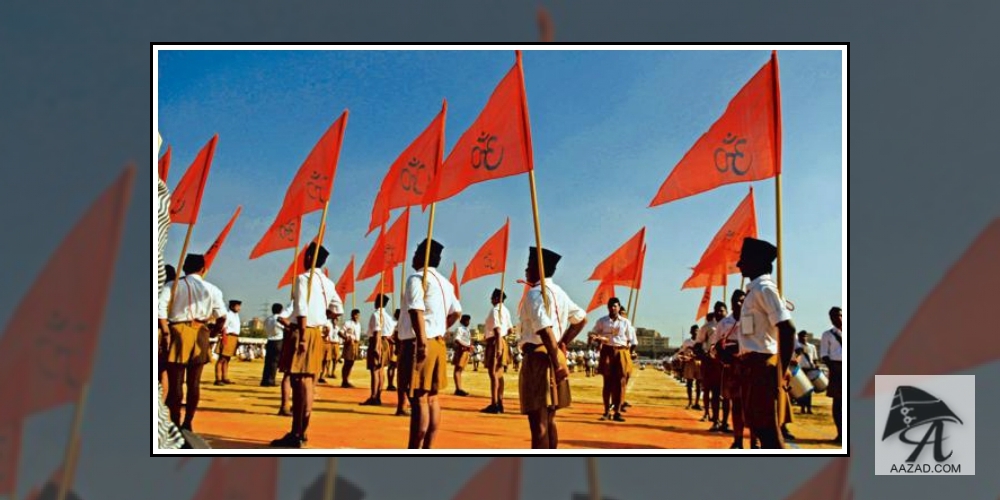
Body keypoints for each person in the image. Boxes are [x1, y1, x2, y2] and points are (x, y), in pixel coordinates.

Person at [270, 243, 344, 448]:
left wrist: (302, 335)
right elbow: (338, 308)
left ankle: (297, 433)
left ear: (310, 257)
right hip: (316, 332)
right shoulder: (328, 283)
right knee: (309, 382)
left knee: (299, 382)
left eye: (305, 255)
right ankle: (302, 432)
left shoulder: (303, 279)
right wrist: (323, 316)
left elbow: (301, 308)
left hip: (302, 331)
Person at [518, 247, 588, 448]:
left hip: (539, 358)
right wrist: (562, 343)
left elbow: (544, 329)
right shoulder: (560, 293)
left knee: (538, 425)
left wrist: (556, 360)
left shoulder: (535, 294)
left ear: (538, 268)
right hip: (553, 354)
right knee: (549, 420)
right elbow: (581, 319)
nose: (526, 269)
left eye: (529, 265)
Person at [397, 239, 463, 448]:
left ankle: (414, 451)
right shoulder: (445, 283)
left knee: (418, 398)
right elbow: (457, 312)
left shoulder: (417, 278)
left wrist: (422, 341)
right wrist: (440, 327)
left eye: (416, 252)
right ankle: (428, 449)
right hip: (437, 342)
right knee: (432, 398)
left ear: (422, 257)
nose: (413, 256)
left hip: (419, 342)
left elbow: (416, 310)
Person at [736, 237, 797, 449]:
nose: (739, 264)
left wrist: (780, 372)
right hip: (752, 367)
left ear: (758, 261)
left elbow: (787, 329)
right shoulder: (754, 291)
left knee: (768, 431)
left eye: (743, 259)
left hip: (762, 367)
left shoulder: (765, 289)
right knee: (759, 427)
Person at [157, 253, 226, 432]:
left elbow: (159, 310)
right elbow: (222, 316)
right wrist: (214, 332)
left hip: (178, 330)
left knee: (176, 382)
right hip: (201, 331)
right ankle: (188, 422)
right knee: (194, 382)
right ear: (203, 269)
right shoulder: (213, 289)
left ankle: (175, 421)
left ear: (184, 267)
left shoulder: (173, 286)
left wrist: (165, 332)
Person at [590, 297, 632, 422]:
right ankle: (606, 412)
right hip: (607, 351)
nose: (613, 308)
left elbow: (631, 340)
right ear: (607, 307)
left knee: (620, 382)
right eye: (611, 306)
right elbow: (593, 333)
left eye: (615, 306)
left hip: (621, 351)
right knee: (607, 382)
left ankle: (617, 412)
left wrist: (629, 351)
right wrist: (597, 338)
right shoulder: (602, 321)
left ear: (619, 307)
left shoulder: (625, 322)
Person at [716, 290, 745, 446]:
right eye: (737, 301)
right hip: (733, 366)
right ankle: (738, 440)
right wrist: (723, 355)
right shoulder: (724, 323)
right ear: (732, 304)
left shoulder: (754, 318)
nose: (740, 304)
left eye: (743, 301)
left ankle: (755, 442)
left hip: (751, 364)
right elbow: (715, 346)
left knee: (752, 406)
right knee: (736, 403)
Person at [482, 289, 513, 414]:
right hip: (501, 341)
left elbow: (497, 330)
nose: (491, 299)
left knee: (493, 374)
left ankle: (494, 404)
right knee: (499, 374)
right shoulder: (506, 310)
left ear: (496, 298)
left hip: (495, 342)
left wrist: (498, 347)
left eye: (492, 297)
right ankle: (500, 403)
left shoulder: (496, 310)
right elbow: (510, 330)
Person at [362, 294, 395, 406]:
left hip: (377, 342)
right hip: (385, 342)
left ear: (377, 302)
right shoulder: (388, 317)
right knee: (381, 371)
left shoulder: (377, 315)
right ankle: (378, 396)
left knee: (375, 371)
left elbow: (377, 331)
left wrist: (376, 347)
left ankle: (374, 396)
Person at [701, 302, 727, 430]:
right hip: (712, 362)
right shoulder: (708, 327)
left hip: (729, 362)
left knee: (728, 395)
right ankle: (715, 420)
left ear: (726, 311)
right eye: (717, 310)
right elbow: (699, 344)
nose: (719, 313)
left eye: (722, 310)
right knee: (714, 392)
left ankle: (725, 422)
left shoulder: (732, 323)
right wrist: (705, 355)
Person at [821, 306, 844, 443]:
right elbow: (824, 355)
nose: (837, 318)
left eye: (840, 315)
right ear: (830, 319)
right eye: (834, 316)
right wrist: (834, 369)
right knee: (838, 404)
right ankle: (840, 434)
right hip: (836, 369)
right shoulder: (827, 335)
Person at [214, 300, 241, 385]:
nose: (239, 308)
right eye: (237, 306)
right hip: (227, 336)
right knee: (222, 358)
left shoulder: (236, 316)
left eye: (239, 306)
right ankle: (218, 379)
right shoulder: (228, 315)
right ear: (232, 306)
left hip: (234, 337)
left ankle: (224, 377)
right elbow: (223, 327)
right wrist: (223, 338)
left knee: (227, 359)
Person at [261, 303, 287, 387]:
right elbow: (285, 328)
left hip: (269, 340)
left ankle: (265, 380)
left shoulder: (268, 319)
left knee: (268, 362)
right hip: (278, 340)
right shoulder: (279, 319)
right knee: (274, 362)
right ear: (281, 310)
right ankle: (271, 380)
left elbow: (265, 327)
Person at [679, 326, 702, 410]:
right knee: (689, 383)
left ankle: (697, 403)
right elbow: (681, 352)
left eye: (697, 331)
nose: (695, 332)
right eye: (694, 331)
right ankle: (690, 402)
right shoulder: (687, 341)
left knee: (699, 384)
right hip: (689, 363)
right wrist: (683, 358)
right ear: (691, 332)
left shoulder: (701, 341)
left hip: (699, 363)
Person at [794, 331, 817, 414]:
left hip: (809, 369)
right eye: (802, 336)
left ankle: (809, 408)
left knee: (809, 390)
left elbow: (814, 359)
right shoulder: (796, 347)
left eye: (805, 336)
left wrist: (815, 366)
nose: (804, 338)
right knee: (802, 390)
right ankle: (802, 408)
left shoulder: (812, 347)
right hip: (800, 370)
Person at [451, 315, 473, 396]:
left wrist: (470, 346)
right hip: (461, 350)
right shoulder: (459, 329)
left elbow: (468, 340)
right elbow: (457, 339)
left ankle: (459, 388)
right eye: (466, 320)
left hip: (466, 350)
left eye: (468, 320)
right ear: (462, 321)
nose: (468, 322)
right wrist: (465, 346)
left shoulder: (467, 330)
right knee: (457, 369)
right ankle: (458, 389)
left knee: (460, 370)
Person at [339, 309, 362, 388]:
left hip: (356, 344)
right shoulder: (347, 323)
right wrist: (346, 338)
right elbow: (340, 332)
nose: (357, 317)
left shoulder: (358, 324)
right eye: (355, 315)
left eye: (358, 315)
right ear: (352, 315)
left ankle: (346, 380)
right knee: (347, 362)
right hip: (349, 344)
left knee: (351, 363)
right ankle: (344, 381)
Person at [387, 308, 400, 391]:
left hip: (399, 345)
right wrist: (394, 342)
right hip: (394, 345)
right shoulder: (392, 323)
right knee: (392, 365)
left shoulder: (399, 323)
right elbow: (388, 336)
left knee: (397, 366)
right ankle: (390, 384)